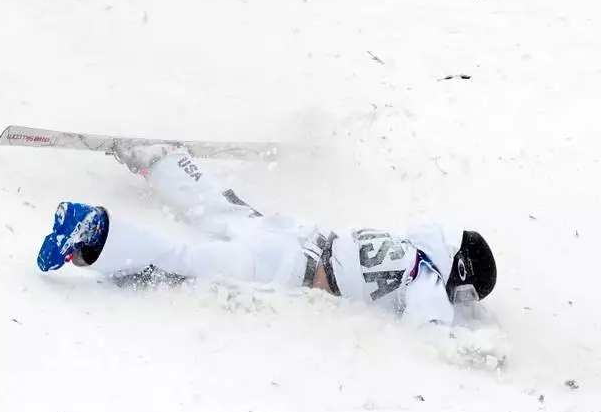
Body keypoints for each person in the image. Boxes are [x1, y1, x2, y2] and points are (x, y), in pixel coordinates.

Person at [36, 144, 496, 326]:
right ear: (460, 269)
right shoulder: (426, 279)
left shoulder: (408, 243)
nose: (463, 299)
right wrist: (476, 348)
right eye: (469, 292)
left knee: (217, 206)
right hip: (284, 268)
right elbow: (431, 333)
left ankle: (162, 160)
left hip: (291, 234)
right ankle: (95, 231)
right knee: (183, 262)